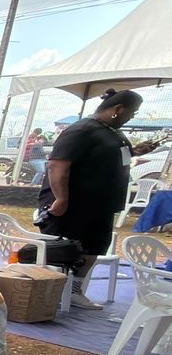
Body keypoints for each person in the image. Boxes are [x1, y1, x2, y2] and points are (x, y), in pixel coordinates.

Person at [38, 88, 140, 311]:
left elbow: (112, 156)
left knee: (93, 249)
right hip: (74, 205)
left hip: (100, 205)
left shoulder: (112, 132)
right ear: (118, 109)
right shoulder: (82, 130)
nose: (131, 118)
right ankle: (48, 293)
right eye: (131, 113)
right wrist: (61, 198)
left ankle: (74, 291)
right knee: (62, 250)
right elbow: (57, 166)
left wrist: (137, 151)